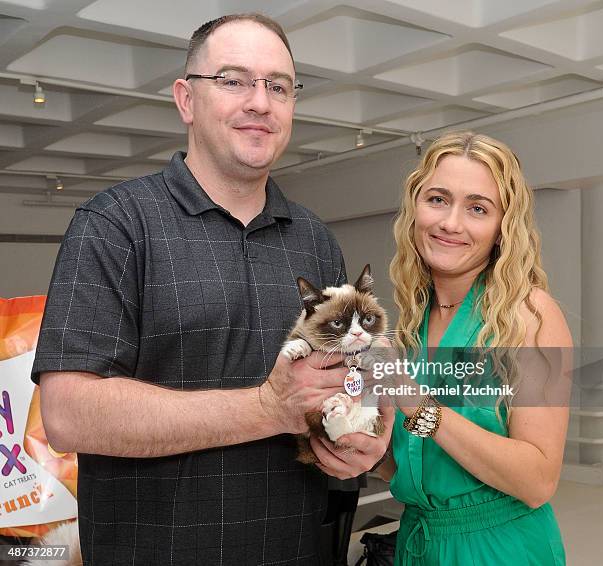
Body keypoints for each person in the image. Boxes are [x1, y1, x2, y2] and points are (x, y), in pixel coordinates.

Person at [31, 14, 391, 566]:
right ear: (186, 99)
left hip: (299, 549)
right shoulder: (116, 223)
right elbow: (68, 413)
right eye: (233, 80)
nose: (260, 102)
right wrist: (268, 408)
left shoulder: (316, 240)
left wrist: (366, 436)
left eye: (278, 86)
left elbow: (351, 379)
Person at [377, 131, 572, 564]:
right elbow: (419, 466)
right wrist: (360, 449)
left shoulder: (530, 316)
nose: (450, 223)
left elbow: (538, 480)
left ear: (503, 226)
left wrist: (418, 405)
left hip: (499, 548)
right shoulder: (411, 319)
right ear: (414, 208)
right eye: (438, 199)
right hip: (419, 540)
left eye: (477, 208)